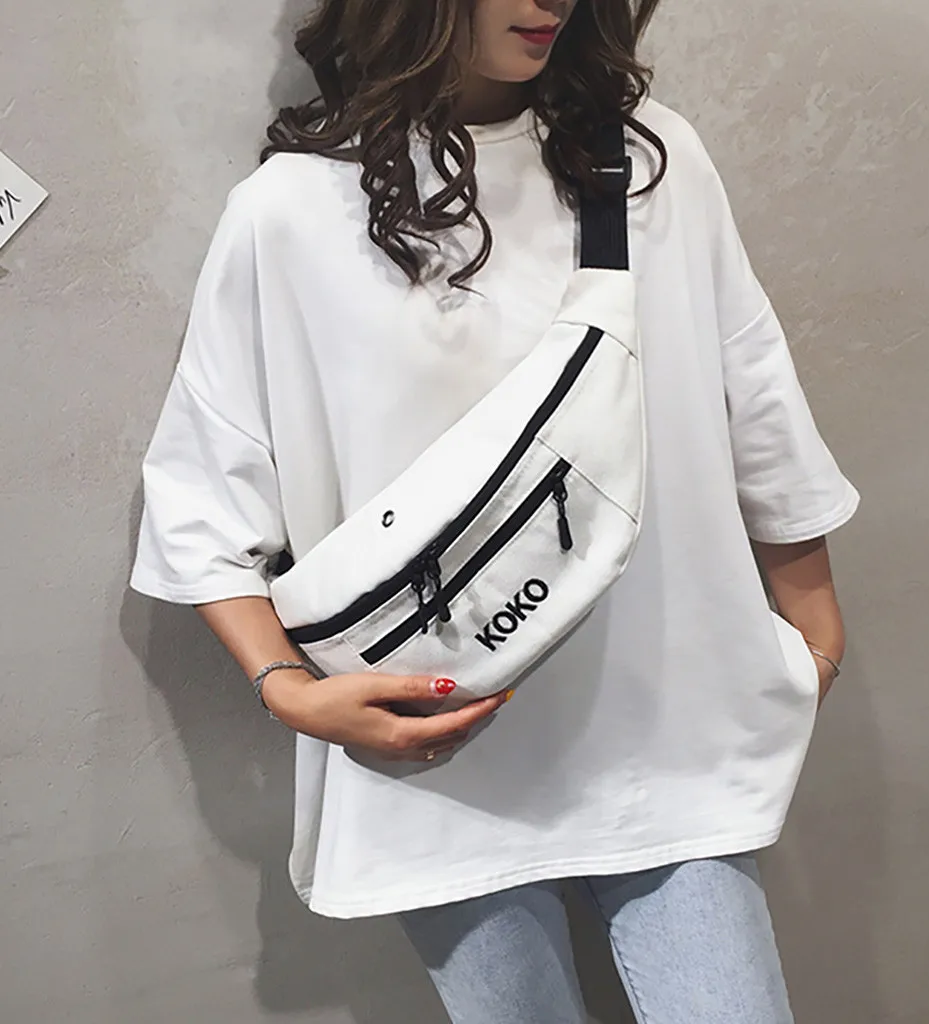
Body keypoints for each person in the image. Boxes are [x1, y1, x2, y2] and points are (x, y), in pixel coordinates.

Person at [130, 1, 860, 1020]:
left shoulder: (646, 163)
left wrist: (813, 627)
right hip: (437, 754)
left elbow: (753, 390)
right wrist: (288, 690)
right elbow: (204, 487)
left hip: (669, 733)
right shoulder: (294, 210)